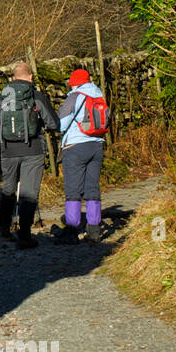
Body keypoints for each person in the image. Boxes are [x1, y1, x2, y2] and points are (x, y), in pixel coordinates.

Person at [0, 62, 57, 249]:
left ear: (13, 78)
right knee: (29, 192)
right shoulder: (36, 96)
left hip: (8, 151)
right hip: (32, 150)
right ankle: (24, 235)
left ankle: (3, 229)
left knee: (8, 189)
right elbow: (53, 123)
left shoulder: (1, 98)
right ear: (30, 77)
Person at [56, 68, 107, 243]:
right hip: (97, 146)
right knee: (92, 188)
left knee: (73, 191)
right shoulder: (98, 96)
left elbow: (61, 125)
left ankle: (71, 232)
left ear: (74, 83)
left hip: (76, 147)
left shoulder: (75, 97)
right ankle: (94, 231)